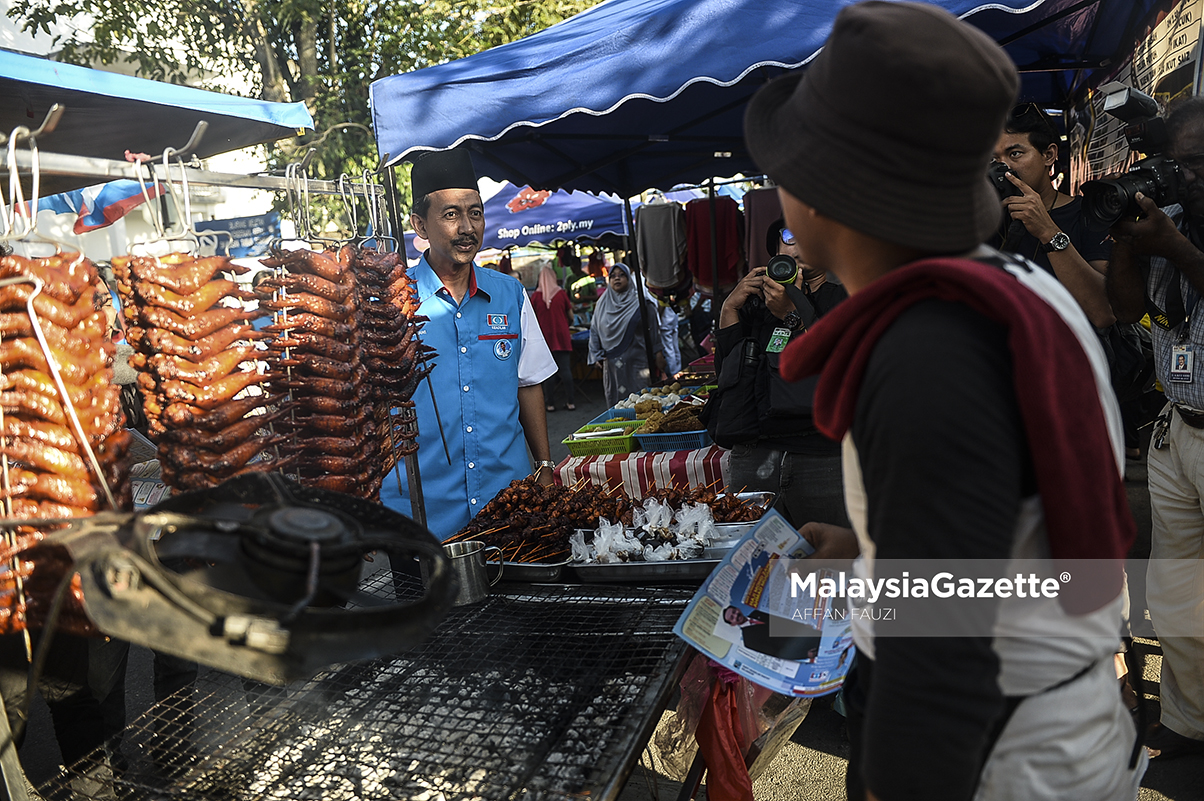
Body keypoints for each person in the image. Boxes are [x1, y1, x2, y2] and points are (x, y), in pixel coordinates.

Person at [744, 3, 1143, 799]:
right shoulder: (1009, 289)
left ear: (824, 195)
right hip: (1047, 733)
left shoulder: (929, 349)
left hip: (996, 763)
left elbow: (941, 672)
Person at [380, 149, 558, 539]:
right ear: (420, 226)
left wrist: (544, 466)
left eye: (474, 212)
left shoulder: (510, 294)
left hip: (510, 507)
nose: (467, 227)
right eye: (450, 214)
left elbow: (529, 383)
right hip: (420, 514)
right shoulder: (391, 304)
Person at [1106, 96, 1204, 762]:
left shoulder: (1178, 230)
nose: (1182, 174)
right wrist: (1125, 240)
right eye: (1174, 161)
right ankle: (1188, 719)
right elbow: (1126, 307)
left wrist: (1176, 247)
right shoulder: (1165, 216)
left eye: (1194, 161)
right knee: (1176, 594)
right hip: (1180, 427)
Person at [708, 218, 848, 528]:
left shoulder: (844, 298)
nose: (800, 243)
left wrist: (792, 314)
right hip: (754, 454)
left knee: (832, 563)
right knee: (759, 564)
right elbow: (727, 374)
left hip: (821, 457)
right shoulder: (755, 304)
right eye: (789, 238)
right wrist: (729, 309)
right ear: (775, 254)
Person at [993, 103, 1115, 327]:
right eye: (995, 160)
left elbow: (1104, 312)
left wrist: (1048, 232)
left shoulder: (1088, 213)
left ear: (1049, 155)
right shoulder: (991, 220)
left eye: (1015, 154)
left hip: (1071, 355)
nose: (1004, 168)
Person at [588, 264, 664, 408]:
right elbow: (594, 330)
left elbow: (654, 330)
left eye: (622, 275)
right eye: (613, 275)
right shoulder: (602, 304)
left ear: (629, 279)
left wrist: (659, 353)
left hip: (638, 363)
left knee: (642, 403)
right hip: (612, 365)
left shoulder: (642, 304)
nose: (617, 278)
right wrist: (596, 354)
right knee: (617, 405)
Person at [531, 261, 576, 412]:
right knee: (565, 370)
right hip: (562, 335)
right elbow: (571, 316)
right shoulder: (561, 294)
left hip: (544, 339)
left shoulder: (536, 297)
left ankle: (549, 404)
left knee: (547, 372)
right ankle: (571, 402)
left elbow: (531, 319)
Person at [722, 606, 821, 661]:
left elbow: (782, 618)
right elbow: (776, 653)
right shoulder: (749, 641)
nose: (736, 615)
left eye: (734, 611)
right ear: (732, 624)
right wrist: (804, 654)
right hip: (799, 646)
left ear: (738, 609)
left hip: (806, 632)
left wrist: (801, 625)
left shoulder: (757, 612)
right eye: (732, 617)